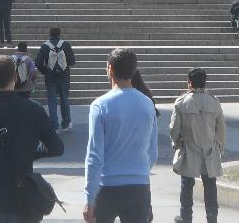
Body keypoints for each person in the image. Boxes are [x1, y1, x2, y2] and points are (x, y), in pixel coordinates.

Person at [0, 55, 65, 223]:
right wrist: (29, 151)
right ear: (16, 77)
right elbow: (56, 147)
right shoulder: (34, 110)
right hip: (24, 197)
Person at [84, 48, 158, 223]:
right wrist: (139, 172)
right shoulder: (147, 104)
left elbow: (94, 156)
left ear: (110, 68)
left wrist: (89, 197)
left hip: (107, 186)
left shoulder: (100, 105)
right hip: (139, 186)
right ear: (133, 70)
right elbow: (152, 152)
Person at [170, 68, 226, 223]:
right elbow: (221, 128)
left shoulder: (181, 103)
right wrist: (219, 146)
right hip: (209, 149)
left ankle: (185, 216)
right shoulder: (214, 102)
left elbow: (174, 128)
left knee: (186, 184)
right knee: (210, 184)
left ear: (189, 83)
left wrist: (176, 143)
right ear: (205, 82)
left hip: (189, 148)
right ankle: (211, 215)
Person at [37, 27, 76, 131]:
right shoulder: (65, 45)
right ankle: (66, 123)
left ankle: (54, 126)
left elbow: (38, 63)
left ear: (50, 34)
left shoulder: (45, 46)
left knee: (52, 101)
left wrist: (46, 71)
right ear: (59, 34)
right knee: (64, 99)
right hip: (64, 76)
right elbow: (72, 61)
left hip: (50, 77)